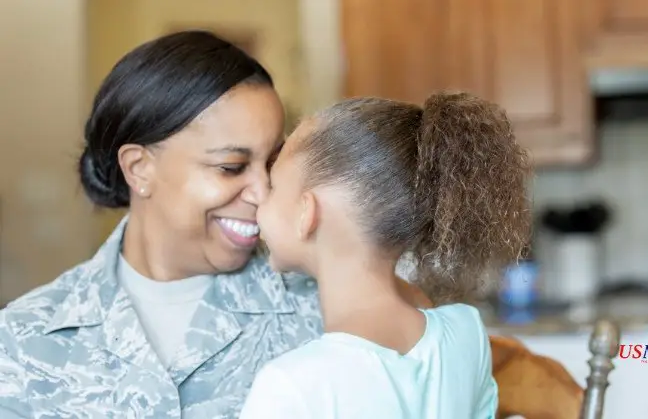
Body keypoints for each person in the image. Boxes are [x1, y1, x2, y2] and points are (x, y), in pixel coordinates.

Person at [0, 31, 322, 418]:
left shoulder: (324, 311)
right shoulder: (22, 341)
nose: (262, 191)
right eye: (231, 167)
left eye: (271, 163)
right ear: (139, 168)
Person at [240, 92, 532, 418]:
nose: (257, 198)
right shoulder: (466, 333)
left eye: (273, 185)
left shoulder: (291, 387)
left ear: (306, 214)